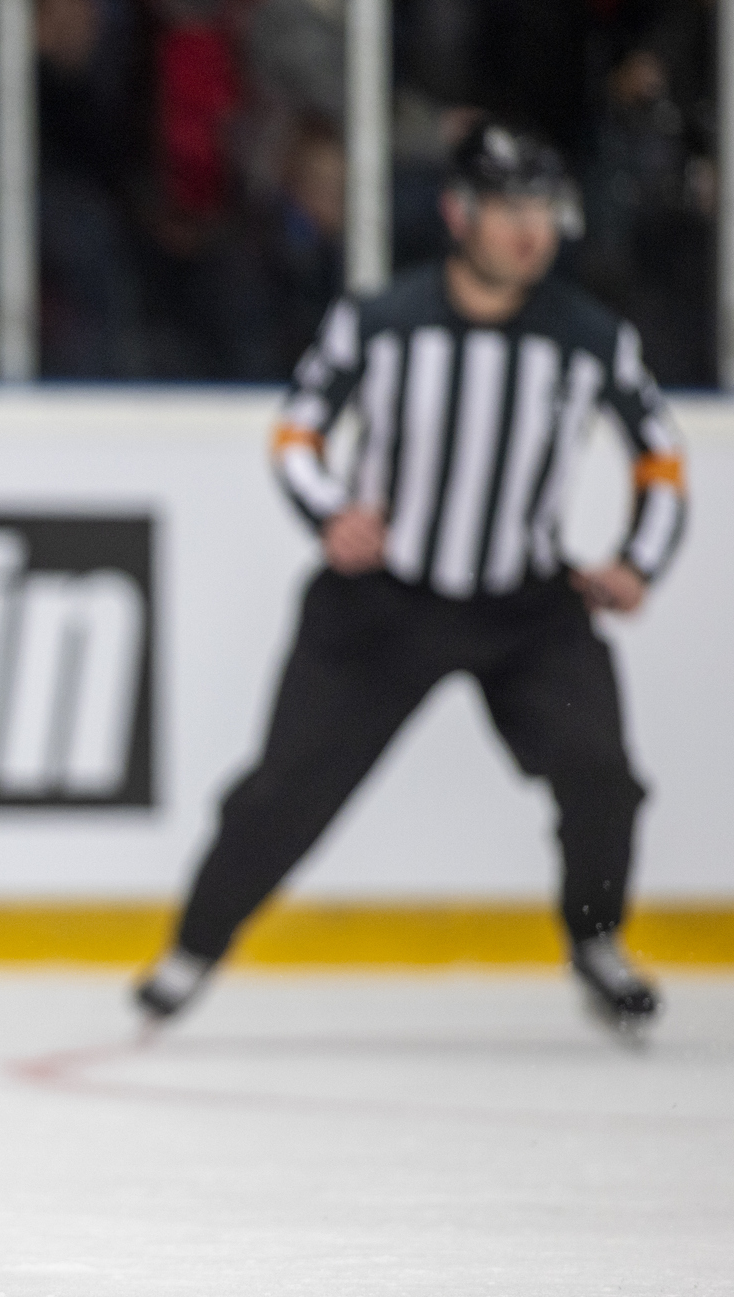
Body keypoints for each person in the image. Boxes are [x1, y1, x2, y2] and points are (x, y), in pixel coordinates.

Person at [134, 121, 688, 1037]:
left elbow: (660, 456)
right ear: (458, 213)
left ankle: (597, 941)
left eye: (543, 210)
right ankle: (193, 947)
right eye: (510, 209)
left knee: (599, 774)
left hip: (525, 607)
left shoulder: (590, 338)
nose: (530, 231)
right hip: (380, 606)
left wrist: (639, 562)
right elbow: (298, 432)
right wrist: (329, 515)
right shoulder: (383, 320)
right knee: (285, 791)